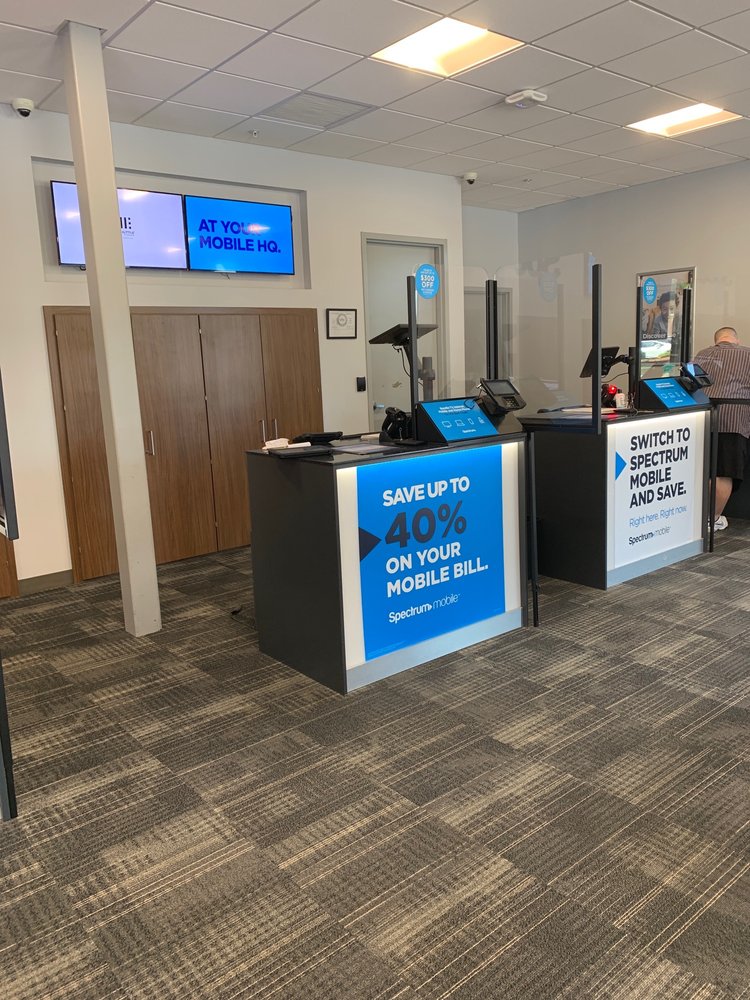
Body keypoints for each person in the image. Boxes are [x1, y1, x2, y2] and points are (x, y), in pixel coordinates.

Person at [694, 326, 750, 530]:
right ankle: (713, 518)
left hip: (702, 418)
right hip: (733, 420)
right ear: (736, 339)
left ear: (716, 340)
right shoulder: (747, 354)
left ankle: (702, 517)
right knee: (723, 473)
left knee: (708, 470)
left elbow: (690, 384)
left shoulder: (702, 354)